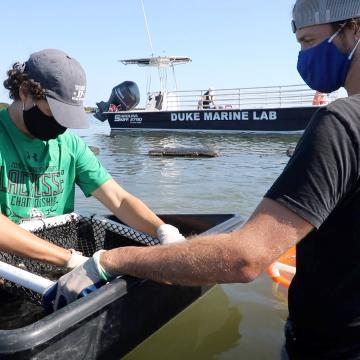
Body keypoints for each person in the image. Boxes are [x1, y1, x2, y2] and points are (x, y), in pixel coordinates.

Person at [54, 1, 360, 358]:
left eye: (308, 41)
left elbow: (244, 258)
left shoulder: (340, 124)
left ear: (355, 28)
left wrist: (112, 260)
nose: (303, 56)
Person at [0, 48, 184, 269]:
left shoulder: (69, 144)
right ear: (25, 91)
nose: (60, 125)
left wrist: (162, 230)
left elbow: (118, 199)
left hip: (57, 257)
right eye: (54, 113)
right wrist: (70, 259)